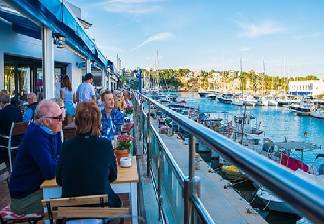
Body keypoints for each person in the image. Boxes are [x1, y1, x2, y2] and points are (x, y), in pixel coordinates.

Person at [56, 101, 121, 207]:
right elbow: (113, 176)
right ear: (98, 122)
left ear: (76, 122)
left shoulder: (66, 146)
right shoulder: (105, 145)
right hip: (100, 207)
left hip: (71, 209)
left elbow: (59, 180)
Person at [9, 100, 62, 214]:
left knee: (72, 192)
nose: (62, 120)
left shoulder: (53, 132)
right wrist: (59, 161)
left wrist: (58, 161)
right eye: (59, 117)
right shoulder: (36, 136)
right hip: (24, 200)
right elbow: (50, 171)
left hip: (38, 189)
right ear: (46, 121)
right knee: (69, 199)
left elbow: (61, 157)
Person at [0, 92, 22, 162]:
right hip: (19, 140)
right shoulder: (18, 111)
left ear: (1, 102)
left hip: (8, 140)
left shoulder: (2, 112)